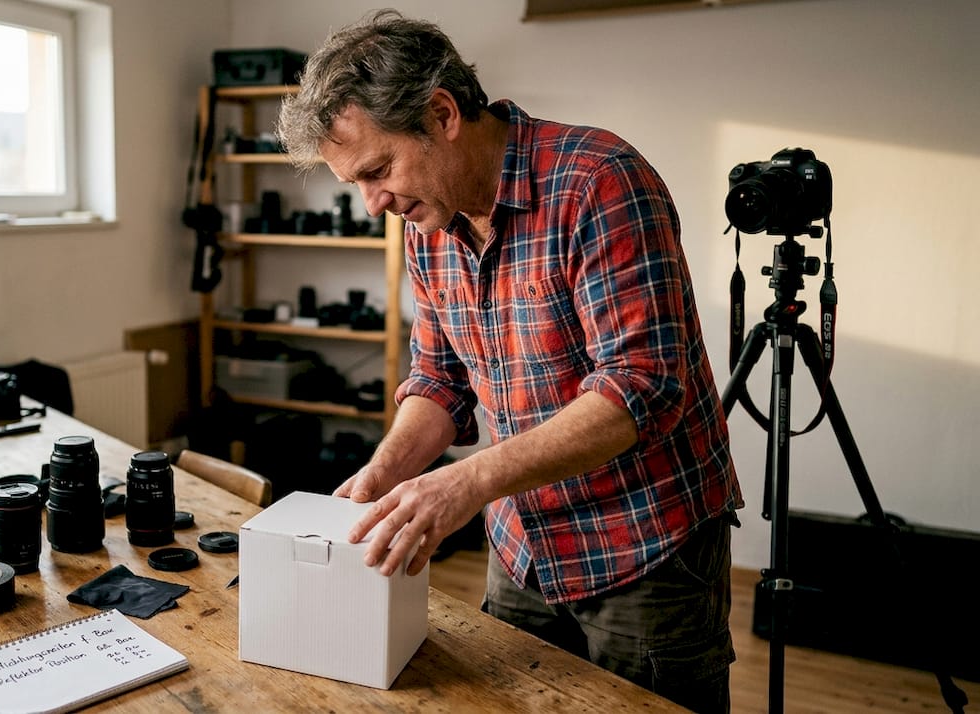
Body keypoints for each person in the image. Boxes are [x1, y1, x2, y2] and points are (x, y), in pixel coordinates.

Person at [277, 9, 744, 713]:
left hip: (645, 549)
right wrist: (389, 468)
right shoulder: (428, 227)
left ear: (442, 114)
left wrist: (463, 485)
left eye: (378, 170)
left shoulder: (600, 181)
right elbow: (438, 380)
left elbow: (638, 389)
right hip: (523, 542)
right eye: (356, 184)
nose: (375, 202)